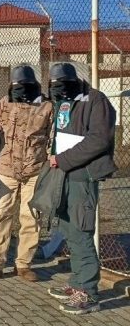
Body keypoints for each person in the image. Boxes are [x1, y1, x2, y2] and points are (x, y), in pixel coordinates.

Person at [45, 62, 115, 314]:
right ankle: (77, 283)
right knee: (69, 229)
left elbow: (99, 139)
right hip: (64, 174)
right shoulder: (65, 101)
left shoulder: (96, 100)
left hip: (83, 176)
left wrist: (62, 159)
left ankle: (88, 293)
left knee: (81, 230)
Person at [0, 65, 53, 282]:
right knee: (1, 213)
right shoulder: (5, 103)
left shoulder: (47, 106)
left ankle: (23, 264)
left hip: (35, 170)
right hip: (5, 169)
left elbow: (52, 138)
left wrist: (50, 165)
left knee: (31, 216)